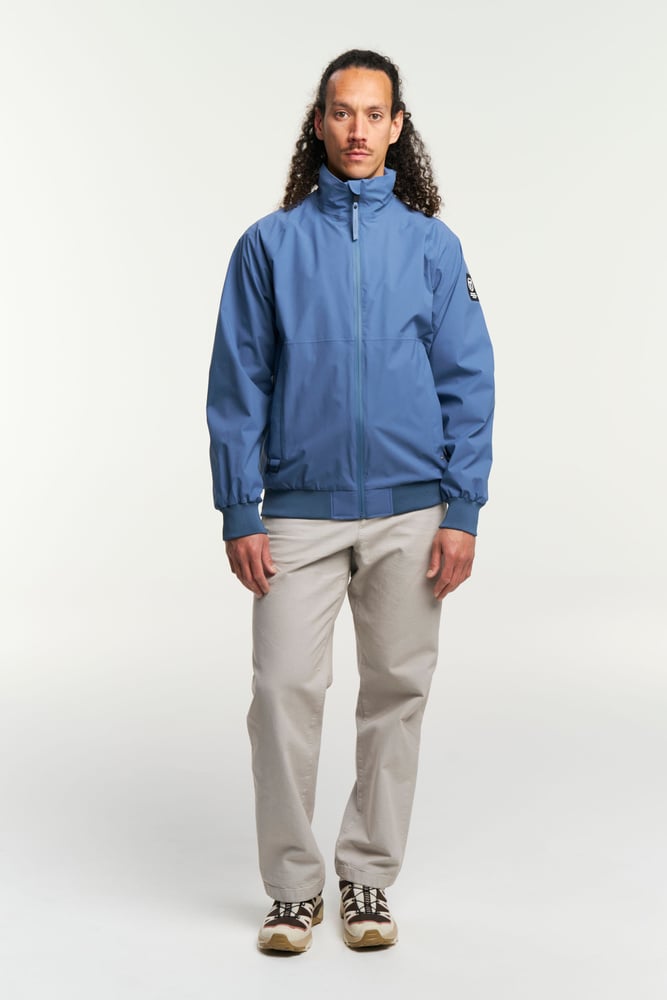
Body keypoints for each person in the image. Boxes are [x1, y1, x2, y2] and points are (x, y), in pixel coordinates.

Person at [206, 48, 494, 953]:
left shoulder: (432, 247)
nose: (357, 129)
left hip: (412, 510)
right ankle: (293, 889)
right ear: (319, 123)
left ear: (397, 126)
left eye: (374, 114)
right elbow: (238, 382)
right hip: (299, 509)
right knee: (282, 691)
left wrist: (461, 509)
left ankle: (366, 875)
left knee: (396, 692)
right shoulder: (269, 245)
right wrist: (239, 507)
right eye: (342, 112)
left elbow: (467, 380)